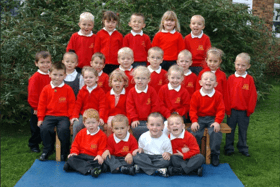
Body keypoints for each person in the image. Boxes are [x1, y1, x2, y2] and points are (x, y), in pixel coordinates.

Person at [37, 62, 76, 161]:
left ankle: (64, 151)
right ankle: (48, 149)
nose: (57, 77)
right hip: (49, 116)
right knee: (44, 128)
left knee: (63, 130)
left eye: (60, 75)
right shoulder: (46, 89)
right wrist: (40, 118)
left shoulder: (68, 89)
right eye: (55, 74)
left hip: (63, 116)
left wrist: (71, 117)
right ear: (49, 74)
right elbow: (41, 105)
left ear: (65, 76)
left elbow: (72, 105)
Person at [224, 53, 257, 157]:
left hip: (244, 112)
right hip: (232, 111)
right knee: (230, 130)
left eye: (243, 65)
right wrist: (227, 110)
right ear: (234, 64)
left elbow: (253, 96)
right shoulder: (230, 78)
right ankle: (229, 147)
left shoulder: (249, 79)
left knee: (243, 130)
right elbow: (227, 95)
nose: (240, 67)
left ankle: (243, 147)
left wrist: (249, 110)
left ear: (248, 66)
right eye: (238, 64)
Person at [190, 71, 225, 166]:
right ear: (200, 82)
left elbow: (221, 110)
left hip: (212, 118)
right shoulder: (196, 95)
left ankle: (214, 154)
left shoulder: (218, 95)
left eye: (211, 79)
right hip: (199, 118)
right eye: (206, 79)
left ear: (216, 84)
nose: (208, 81)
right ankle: (194, 153)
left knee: (215, 132)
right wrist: (194, 121)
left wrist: (217, 122)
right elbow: (192, 110)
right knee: (194, 132)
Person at [63, 109, 107, 178]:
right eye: (88, 123)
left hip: (93, 158)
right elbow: (75, 145)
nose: (91, 125)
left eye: (93, 122)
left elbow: (102, 148)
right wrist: (74, 152)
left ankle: (79, 167)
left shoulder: (102, 135)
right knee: (71, 159)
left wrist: (99, 155)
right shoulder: (81, 133)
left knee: (100, 163)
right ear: (84, 123)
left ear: (98, 122)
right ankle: (90, 169)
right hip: (82, 156)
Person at [71, 66, 106, 140]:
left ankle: (96, 146)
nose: (88, 79)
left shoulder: (100, 92)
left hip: (96, 115)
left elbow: (102, 106)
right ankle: (75, 147)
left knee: (99, 126)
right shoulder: (82, 91)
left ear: (96, 78)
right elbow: (78, 105)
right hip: (83, 114)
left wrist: (101, 117)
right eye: (86, 77)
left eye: (91, 77)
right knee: (77, 125)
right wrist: (74, 116)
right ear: (83, 78)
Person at [132, 112, 172, 177]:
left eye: (158, 125)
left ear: (163, 126)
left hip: (159, 157)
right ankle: (158, 170)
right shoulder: (143, 136)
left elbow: (169, 153)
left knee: (167, 161)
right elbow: (141, 150)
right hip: (146, 157)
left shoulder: (166, 139)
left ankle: (143, 167)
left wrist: (168, 154)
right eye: (152, 125)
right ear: (147, 125)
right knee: (136, 157)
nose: (154, 127)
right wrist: (140, 150)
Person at [126, 66, 160, 140]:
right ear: (134, 79)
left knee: (154, 128)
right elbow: (130, 107)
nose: (140, 81)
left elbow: (155, 105)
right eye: (138, 78)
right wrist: (134, 119)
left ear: (148, 80)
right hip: (137, 120)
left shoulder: (151, 91)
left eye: (143, 78)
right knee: (136, 128)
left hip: (149, 119)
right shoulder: (131, 92)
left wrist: (151, 118)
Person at [27, 51, 52, 153]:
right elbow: (32, 95)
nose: (45, 65)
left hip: (50, 107)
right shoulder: (35, 78)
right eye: (42, 62)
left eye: (47, 62)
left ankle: (48, 145)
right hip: (37, 108)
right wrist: (36, 108)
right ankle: (34, 144)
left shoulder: (52, 75)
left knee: (47, 128)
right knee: (36, 128)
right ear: (36, 63)